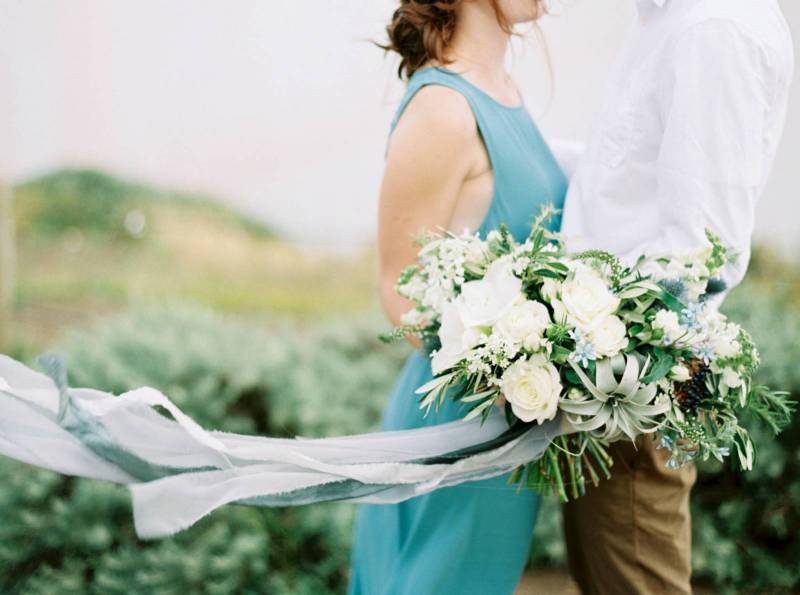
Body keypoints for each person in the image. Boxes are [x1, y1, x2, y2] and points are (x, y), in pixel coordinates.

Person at [559, 0, 794, 593]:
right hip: (605, 382)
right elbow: (622, 186)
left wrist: (607, 363)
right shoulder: (666, 19)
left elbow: (698, 255)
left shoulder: (713, 28)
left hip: (632, 391)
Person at [347, 1, 567, 593]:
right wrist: (506, 364)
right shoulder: (443, 108)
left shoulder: (504, 90)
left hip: (508, 423)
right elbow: (398, 288)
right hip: (461, 421)